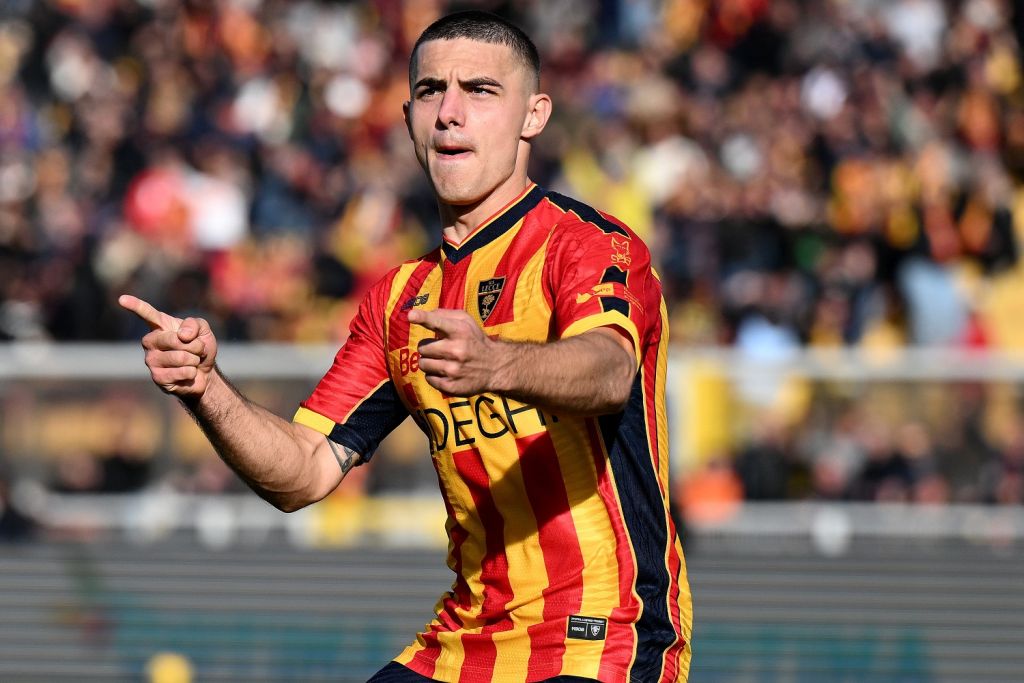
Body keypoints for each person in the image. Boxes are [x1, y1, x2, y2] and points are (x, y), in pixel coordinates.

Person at [121, 11, 691, 683]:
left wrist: (497, 361)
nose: (449, 112)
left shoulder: (588, 244)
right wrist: (205, 389)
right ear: (408, 118)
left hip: (602, 633)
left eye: (480, 90)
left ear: (533, 116)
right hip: (464, 642)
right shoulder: (400, 300)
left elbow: (612, 370)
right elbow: (303, 471)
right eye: (430, 91)